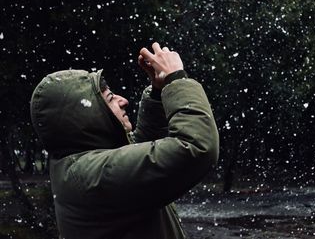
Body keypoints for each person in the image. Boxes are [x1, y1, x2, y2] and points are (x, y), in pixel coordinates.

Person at [30, 42, 219, 239]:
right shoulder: (93, 176)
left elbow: (140, 151)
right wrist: (176, 80)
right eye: (111, 98)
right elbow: (196, 147)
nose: (123, 100)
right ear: (87, 116)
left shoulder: (82, 166)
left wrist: (157, 93)